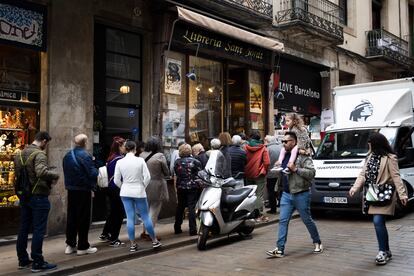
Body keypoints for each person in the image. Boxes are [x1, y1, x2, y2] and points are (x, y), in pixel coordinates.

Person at [349, 132, 408, 265]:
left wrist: (402, 194)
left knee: (377, 220)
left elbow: (396, 177)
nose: (368, 146)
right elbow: (363, 174)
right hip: (372, 194)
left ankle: (382, 251)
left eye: (370, 143)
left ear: (376, 144)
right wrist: (355, 187)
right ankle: (386, 251)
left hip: (385, 193)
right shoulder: (369, 157)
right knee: (379, 223)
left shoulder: (390, 158)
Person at [266, 132, 323, 258]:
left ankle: (317, 241)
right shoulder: (284, 155)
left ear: (294, 142)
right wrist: (278, 167)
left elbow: (312, 173)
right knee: (283, 221)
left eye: (286, 141)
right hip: (286, 194)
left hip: (301, 193)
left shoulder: (303, 156)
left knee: (307, 220)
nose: (284, 144)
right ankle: (280, 249)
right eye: (283, 141)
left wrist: (296, 169)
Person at [15, 131, 60, 273]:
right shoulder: (39, 154)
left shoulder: (20, 154)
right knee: (39, 229)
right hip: (38, 196)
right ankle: (38, 262)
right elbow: (41, 172)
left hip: (25, 196)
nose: (46, 146)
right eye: (46, 143)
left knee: (23, 227)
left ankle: (23, 260)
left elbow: (17, 175)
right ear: (44, 141)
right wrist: (55, 174)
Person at [114, 140, 162, 251]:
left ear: (125, 149)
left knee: (130, 218)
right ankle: (154, 241)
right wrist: (142, 186)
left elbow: (116, 180)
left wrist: (124, 187)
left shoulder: (120, 162)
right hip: (139, 191)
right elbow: (147, 177)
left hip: (125, 192)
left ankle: (132, 244)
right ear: (135, 149)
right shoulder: (140, 161)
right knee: (145, 217)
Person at [62, 134, 99, 256]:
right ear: (85, 143)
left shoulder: (67, 156)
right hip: (83, 190)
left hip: (71, 189)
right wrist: (95, 163)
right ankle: (83, 246)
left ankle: (70, 245)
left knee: (72, 217)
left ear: (75, 142)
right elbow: (93, 173)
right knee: (83, 218)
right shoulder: (86, 155)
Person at [140, 137, 170, 240]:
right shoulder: (160, 156)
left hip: (144, 185)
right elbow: (166, 171)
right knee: (154, 209)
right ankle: (149, 232)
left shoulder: (141, 155)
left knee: (146, 208)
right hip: (157, 185)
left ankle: (144, 231)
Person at [98, 136, 126, 246]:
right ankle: (114, 238)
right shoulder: (119, 159)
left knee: (113, 212)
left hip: (110, 188)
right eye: (124, 146)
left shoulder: (111, 158)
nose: (125, 148)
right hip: (117, 188)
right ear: (119, 146)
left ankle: (105, 233)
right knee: (119, 213)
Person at [174, 144, 203, 235]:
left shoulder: (177, 162)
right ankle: (192, 229)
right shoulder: (195, 161)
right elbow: (200, 174)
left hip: (181, 186)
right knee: (191, 207)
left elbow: (175, 172)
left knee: (180, 206)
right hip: (192, 187)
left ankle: (177, 227)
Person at [244, 130, 270, 221]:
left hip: (248, 173)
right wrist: (264, 170)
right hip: (259, 174)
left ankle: (250, 214)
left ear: (250, 137)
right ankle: (259, 215)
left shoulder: (245, 147)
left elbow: (243, 160)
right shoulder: (263, 148)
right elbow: (267, 162)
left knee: (249, 195)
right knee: (259, 195)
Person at [264, 135, 282, 214]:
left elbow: (266, 162)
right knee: (279, 189)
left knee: (271, 190)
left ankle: (273, 208)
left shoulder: (267, 149)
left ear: (268, 141)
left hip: (271, 173)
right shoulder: (281, 147)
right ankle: (280, 204)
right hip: (280, 172)